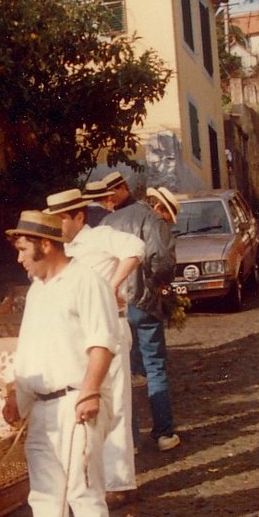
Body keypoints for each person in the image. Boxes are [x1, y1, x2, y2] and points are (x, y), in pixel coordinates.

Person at [1, 210, 119, 517]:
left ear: (45, 244)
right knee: (44, 497)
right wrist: (18, 396)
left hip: (75, 403)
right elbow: (32, 351)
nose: (19, 258)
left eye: (22, 249)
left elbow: (102, 342)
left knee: (83, 493)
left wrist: (89, 393)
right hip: (43, 408)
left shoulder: (86, 282)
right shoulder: (38, 289)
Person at [44, 189, 143, 503]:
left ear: (78, 217)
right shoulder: (62, 252)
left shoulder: (100, 237)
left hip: (109, 330)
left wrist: (112, 284)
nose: (57, 224)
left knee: (116, 407)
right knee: (86, 405)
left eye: (61, 218)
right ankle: (92, 479)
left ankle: (118, 482)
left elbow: (136, 248)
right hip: (79, 336)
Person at [100, 171, 180, 452]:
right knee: (155, 367)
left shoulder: (105, 223)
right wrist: (159, 285)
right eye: (104, 198)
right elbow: (162, 262)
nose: (108, 201)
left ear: (122, 189)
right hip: (144, 303)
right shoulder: (150, 218)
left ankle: (129, 440)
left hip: (117, 306)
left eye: (110, 196)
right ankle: (163, 434)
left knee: (123, 373)